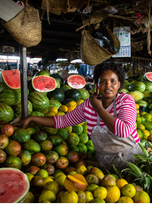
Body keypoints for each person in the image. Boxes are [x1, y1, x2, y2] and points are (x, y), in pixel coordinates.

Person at [13, 61, 142, 170]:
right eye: (103, 81)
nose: (108, 85)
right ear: (97, 85)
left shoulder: (125, 100)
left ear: (119, 85)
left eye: (113, 81)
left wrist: (98, 107)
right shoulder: (88, 106)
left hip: (132, 162)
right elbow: (62, 121)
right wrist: (31, 118)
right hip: (105, 164)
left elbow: (124, 130)